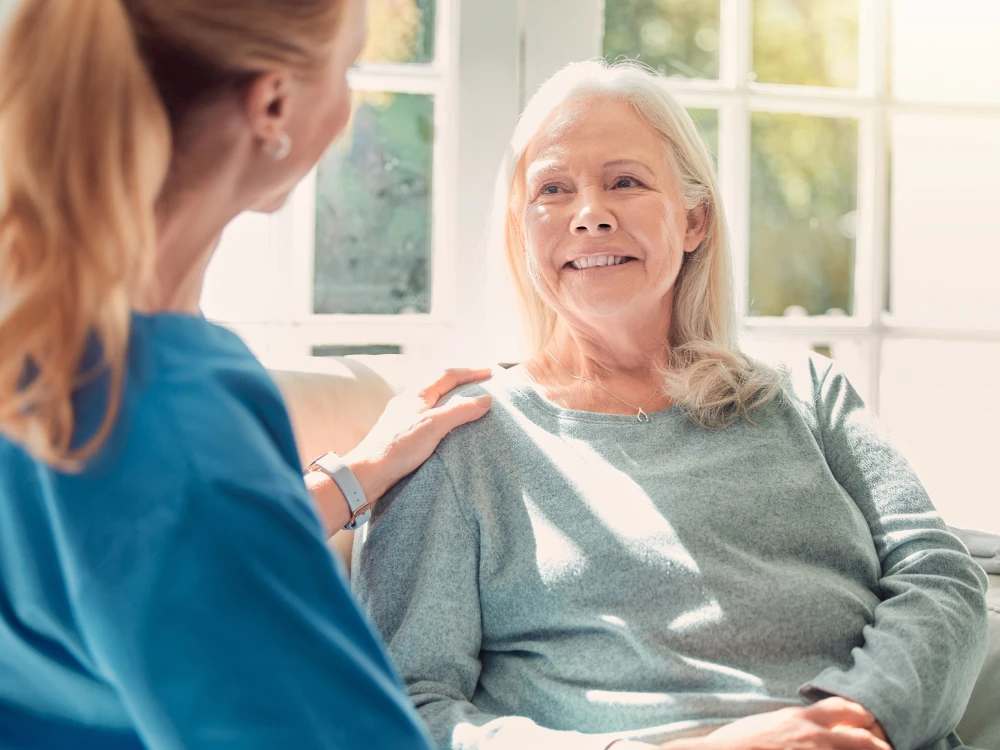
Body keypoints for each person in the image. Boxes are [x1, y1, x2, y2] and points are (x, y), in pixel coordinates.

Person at [352, 61, 990, 750]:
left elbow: (940, 575)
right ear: (522, 231)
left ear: (694, 220)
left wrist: (860, 718)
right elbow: (404, 708)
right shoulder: (456, 437)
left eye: (625, 182)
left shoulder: (808, 391)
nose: (591, 214)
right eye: (553, 189)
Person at [0, 1, 492, 748]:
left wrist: (356, 475)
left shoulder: (53, 343)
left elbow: (145, 565)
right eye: (348, 70)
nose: (349, 108)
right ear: (273, 105)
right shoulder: (170, 417)